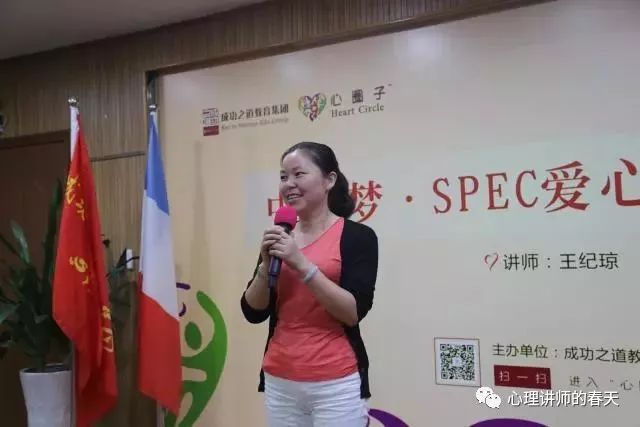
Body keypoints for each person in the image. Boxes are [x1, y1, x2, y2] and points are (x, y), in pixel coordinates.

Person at [240, 142, 379, 427]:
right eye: (283, 177)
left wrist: (301, 264)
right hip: (280, 379)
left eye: (298, 174)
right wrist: (265, 267)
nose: (288, 184)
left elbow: (352, 312)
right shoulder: (281, 236)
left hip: (336, 383)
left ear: (329, 180)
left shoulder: (358, 237)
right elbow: (253, 312)